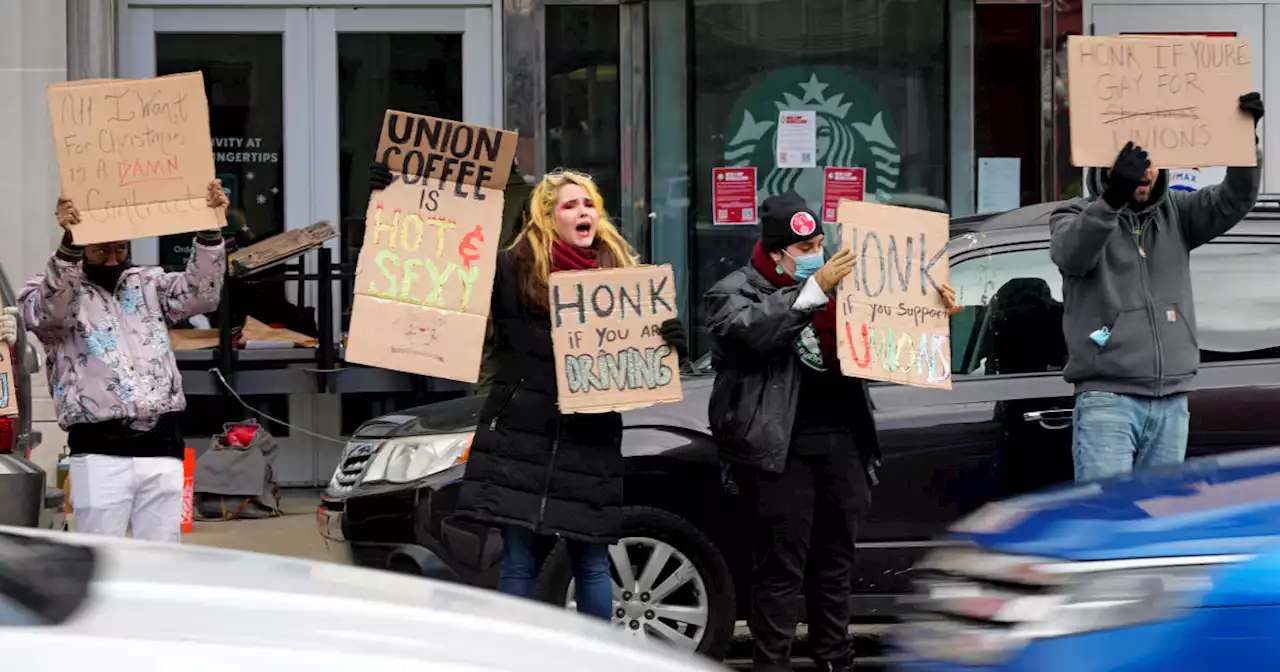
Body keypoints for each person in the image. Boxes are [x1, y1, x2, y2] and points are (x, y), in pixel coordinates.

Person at [369, 164, 687, 620]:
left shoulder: (622, 278)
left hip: (588, 441)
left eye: (589, 204)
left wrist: (668, 341)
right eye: (570, 204)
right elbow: (436, 279)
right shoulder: (511, 270)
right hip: (523, 439)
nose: (584, 212)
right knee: (519, 559)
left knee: (591, 561)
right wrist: (395, 200)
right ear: (547, 216)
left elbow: (641, 366)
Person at [704, 192, 960, 672]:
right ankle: (773, 664)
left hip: (844, 443)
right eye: (805, 249)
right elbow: (748, 331)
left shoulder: (845, 285)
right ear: (776, 252)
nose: (817, 254)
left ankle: (833, 659)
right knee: (780, 570)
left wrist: (932, 315)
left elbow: (892, 340)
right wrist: (813, 289)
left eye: (820, 243)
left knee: (835, 565)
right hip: (779, 454)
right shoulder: (734, 290)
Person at [1050, 93, 1264, 482]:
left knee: (1155, 526)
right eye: (1134, 164)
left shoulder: (1178, 213)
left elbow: (1235, 198)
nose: (1145, 173)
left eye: (1151, 163)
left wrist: (1244, 142)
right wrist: (1113, 197)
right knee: (1107, 524)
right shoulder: (1074, 215)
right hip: (1108, 401)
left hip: (1171, 402)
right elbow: (1072, 255)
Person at [20, 180, 228, 542]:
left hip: (162, 447)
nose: (114, 259)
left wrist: (209, 233)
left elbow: (201, 296)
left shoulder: (148, 282)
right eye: (102, 251)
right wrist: (68, 249)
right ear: (83, 249)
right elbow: (49, 316)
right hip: (99, 453)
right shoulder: (48, 290)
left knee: (162, 561)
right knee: (102, 561)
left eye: (121, 249)